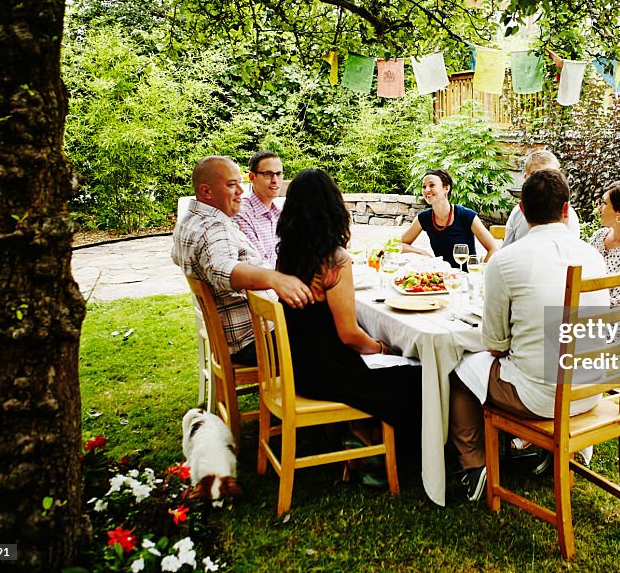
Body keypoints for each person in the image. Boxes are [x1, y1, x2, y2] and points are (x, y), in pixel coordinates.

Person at [447, 169, 608, 500]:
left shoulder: (506, 261)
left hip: (542, 398)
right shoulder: (592, 256)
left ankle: (475, 466)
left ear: (520, 208)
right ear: (566, 209)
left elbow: (493, 343)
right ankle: (547, 453)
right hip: (592, 390)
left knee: (459, 372)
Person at [276, 169, 423, 477]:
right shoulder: (335, 259)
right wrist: (385, 348)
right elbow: (349, 335)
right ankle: (377, 455)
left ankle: (360, 437)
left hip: (300, 366)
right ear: (333, 207)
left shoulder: (287, 254)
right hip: (328, 373)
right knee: (416, 375)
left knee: (389, 368)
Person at [172, 155, 313, 367]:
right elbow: (222, 269)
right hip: (254, 341)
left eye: (239, 183)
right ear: (206, 191)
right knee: (331, 332)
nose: (240, 191)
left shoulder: (190, 221)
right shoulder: (213, 227)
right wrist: (275, 279)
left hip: (247, 334)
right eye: (231, 185)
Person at [399, 169, 498, 267]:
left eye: (432, 185)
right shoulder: (424, 218)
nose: (427, 190)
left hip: (466, 277)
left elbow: (493, 249)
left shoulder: (466, 215)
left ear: (446, 188)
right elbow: (399, 245)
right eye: (424, 187)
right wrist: (421, 252)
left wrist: (483, 273)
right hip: (441, 276)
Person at [503, 150, 580, 247]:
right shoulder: (517, 213)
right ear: (526, 178)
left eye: (552, 176)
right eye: (537, 176)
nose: (545, 182)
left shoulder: (569, 215)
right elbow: (507, 248)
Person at [233, 150, 284, 267]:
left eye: (279, 174)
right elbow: (258, 265)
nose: (275, 180)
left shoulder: (279, 214)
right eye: (268, 174)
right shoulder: (242, 214)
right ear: (252, 176)